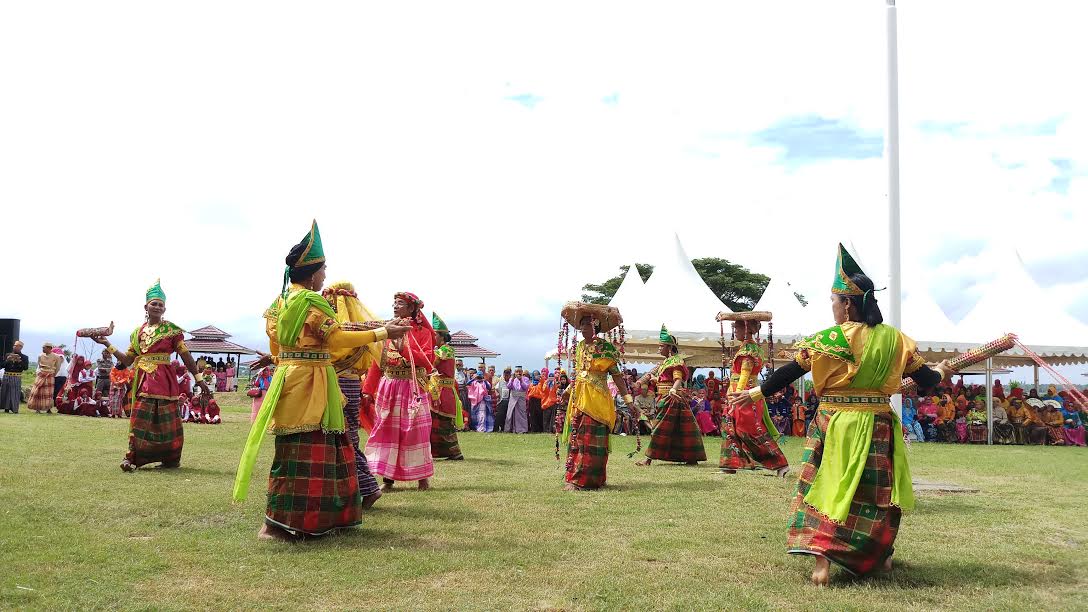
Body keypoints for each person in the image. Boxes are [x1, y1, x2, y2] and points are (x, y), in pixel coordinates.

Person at [727, 243, 951, 586]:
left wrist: (755, 392)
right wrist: (942, 371)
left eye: (834, 300)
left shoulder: (828, 340)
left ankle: (823, 564)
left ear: (847, 303)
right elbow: (927, 380)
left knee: (826, 485)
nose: (832, 306)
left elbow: (790, 372)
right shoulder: (896, 341)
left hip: (833, 423)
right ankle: (880, 557)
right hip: (876, 424)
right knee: (874, 492)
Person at [233, 221, 408, 541]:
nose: (325, 275)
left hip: (288, 379)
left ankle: (279, 523)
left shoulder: (280, 303)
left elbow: (279, 345)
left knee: (290, 449)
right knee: (316, 446)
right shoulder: (312, 302)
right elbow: (337, 338)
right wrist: (384, 332)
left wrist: (281, 361)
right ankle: (303, 521)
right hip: (313, 382)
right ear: (312, 273)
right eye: (323, 269)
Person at [92, 280, 211, 470]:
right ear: (146, 307)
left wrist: (199, 379)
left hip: (164, 380)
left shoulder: (171, 330)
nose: (157, 307)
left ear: (165, 309)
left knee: (168, 422)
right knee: (140, 418)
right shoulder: (137, 333)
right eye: (154, 303)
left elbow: (185, 355)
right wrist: (107, 344)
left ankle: (171, 460)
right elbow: (128, 360)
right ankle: (131, 457)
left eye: (160, 305)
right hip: (143, 380)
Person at [362, 291, 436, 492]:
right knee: (387, 431)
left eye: (400, 303)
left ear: (411, 308)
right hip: (389, 387)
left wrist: (403, 348)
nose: (395, 306)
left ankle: (422, 478)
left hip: (413, 387)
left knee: (416, 432)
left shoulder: (423, 333)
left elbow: (427, 361)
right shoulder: (388, 332)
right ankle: (388, 479)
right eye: (394, 303)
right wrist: (368, 390)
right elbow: (378, 363)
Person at [322, 281, 387, 509]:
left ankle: (368, 487)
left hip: (337, 384)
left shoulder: (342, 331)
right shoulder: (361, 330)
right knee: (348, 436)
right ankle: (354, 489)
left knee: (341, 437)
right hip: (352, 383)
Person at [558, 302, 634, 491]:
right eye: (582, 324)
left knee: (592, 439)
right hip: (579, 398)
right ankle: (574, 477)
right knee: (577, 437)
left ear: (596, 327)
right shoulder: (579, 347)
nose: (583, 327)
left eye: (587, 324)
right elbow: (579, 373)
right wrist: (568, 391)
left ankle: (591, 479)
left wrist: (628, 400)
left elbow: (617, 376)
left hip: (597, 400)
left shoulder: (606, 348)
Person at [718, 313, 788, 476]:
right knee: (730, 427)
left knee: (748, 430)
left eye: (737, 327)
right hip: (740, 393)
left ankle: (780, 464)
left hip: (744, 395)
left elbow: (745, 373)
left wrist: (737, 395)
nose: (735, 330)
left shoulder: (748, 350)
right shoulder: (749, 348)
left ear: (747, 329)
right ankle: (730, 465)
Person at [636, 324, 706, 466]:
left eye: (661, 346)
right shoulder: (666, 362)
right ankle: (691, 458)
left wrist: (673, 390)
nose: (659, 349)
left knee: (659, 427)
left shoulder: (675, 361)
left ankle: (648, 459)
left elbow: (678, 378)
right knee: (681, 430)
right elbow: (665, 379)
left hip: (672, 398)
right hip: (667, 397)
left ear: (669, 347)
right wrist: (656, 380)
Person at [429, 312, 468, 455]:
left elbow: (432, 362)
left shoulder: (446, 349)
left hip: (443, 391)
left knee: (444, 422)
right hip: (438, 389)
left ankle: (454, 452)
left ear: (441, 336)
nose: (432, 337)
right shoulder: (440, 350)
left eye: (434, 335)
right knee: (434, 421)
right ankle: (437, 452)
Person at [29, 342, 63, 414]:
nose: (43, 349)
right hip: (41, 375)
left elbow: (58, 367)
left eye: (44, 348)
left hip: (50, 375)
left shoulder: (56, 357)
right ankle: (37, 408)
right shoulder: (40, 356)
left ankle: (48, 408)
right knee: (38, 391)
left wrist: (53, 374)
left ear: (49, 348)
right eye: (42, 348)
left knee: (48, 393)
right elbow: (39, 366)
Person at [1, 341, 28, 413]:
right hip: (7, 375)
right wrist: (7, 360)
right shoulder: (7, 355)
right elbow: (2, 365)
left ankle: (14, 409)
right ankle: (6, 408)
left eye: (17, 346)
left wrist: (19, 361)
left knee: (15, 393)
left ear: (21, 347)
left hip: (16, 376)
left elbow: (25, 368)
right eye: (14, 345)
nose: (15, 347)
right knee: (5, 392)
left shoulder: (24, 357)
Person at [505, 367, 531, 433]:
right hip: (513, 397)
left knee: (521, 413)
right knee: (511, 412)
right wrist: (512, 380)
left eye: (520, 372)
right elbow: (508, 386)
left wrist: (521, 380)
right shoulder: (512, 379)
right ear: (515, 373)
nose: (518, 373)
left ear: (522, 372)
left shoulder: (526, 379)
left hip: (521, 397)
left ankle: (522, 429)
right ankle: (511, 429)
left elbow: (526, 387)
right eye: (517, 372)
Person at [493, 367, 511, 432]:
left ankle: (505, 428)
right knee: (499, 415)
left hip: (510, 401)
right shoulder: (500, 382)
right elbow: (495, 389)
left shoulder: (511, 382)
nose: (506, 375)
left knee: (507, 416)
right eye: (505, 374)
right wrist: (497, 394)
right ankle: (496, 429)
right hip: (502, 401)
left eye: (508, 374)